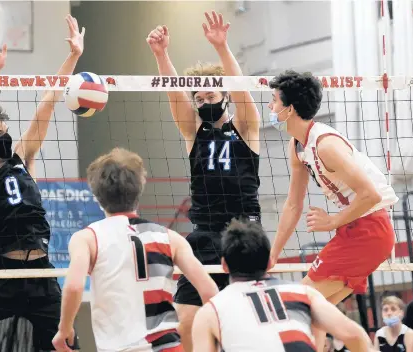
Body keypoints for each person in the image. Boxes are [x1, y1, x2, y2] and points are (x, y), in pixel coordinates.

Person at [0, 15, 85, 352]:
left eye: (4, 132)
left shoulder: (23, 157)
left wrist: (73, 57)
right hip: (1, 278)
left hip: (40, 275)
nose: (3, 137)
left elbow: (47, 105)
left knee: (67, 346)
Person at [147, 11, 261, 351]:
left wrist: (223, 48)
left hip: (244, 230)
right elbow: (174, 97)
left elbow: (241, 93)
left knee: (243, 321)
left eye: (210, 96)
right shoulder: (193, 133)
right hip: (205, 233)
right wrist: (160, 54)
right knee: (186, 322)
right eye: (199, 99)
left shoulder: (245, 128)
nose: (204, 102)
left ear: (223, 95)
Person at [266, 70, 398, 348]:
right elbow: (293, 204)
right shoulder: (297, 145)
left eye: (274, 101)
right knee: (314, 314)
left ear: (290, 109)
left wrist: (331, 221)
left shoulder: (326, 145)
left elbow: (370, 194)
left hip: (369, 229)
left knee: (298, 302)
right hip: (356, 229)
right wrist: (274, 253)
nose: (270, 107)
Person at [52, 148, 219, 352]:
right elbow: (209, 291)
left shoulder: (87, 238)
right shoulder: (170, 237)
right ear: (140, 188)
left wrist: (64, 329)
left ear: (96, 195)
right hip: (169, 346)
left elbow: (74, 287)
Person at [191, 219, 375, 352]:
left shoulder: (209, 312)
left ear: (224, 265)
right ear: (270, 262)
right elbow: (355, 336)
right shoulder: (303, 293)